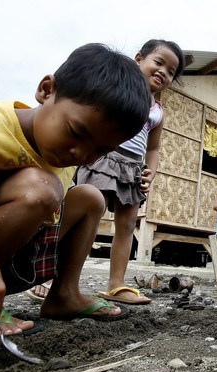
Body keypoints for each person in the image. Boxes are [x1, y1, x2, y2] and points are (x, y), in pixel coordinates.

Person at [0, 42, 152, 338]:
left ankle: (63, 296)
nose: (81, 154)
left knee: (89, 198)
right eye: (76, 132)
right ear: (46, 90)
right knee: (41, 188)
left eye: (100, 150)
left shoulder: (62, 153)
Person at [72, 39, 184, 305]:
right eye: (159, 62)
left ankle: (116, 285)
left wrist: (151, 171)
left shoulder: (157, 112)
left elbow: (153, 149)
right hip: (103, 157)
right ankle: (59, 280)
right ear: (138, 59)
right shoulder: (116, 88)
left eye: (171, 72)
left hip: (133, 169)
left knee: (127, 225)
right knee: (87, 216)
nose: (163, 73)